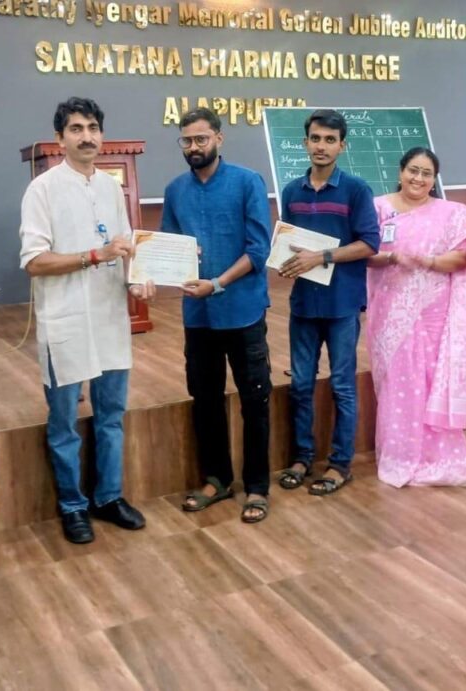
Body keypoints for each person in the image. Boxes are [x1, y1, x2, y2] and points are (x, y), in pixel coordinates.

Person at [19, 97, 152, 544]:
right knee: (64, 424)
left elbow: (126, 247)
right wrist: (95, 255)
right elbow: (34, 262)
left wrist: (137, 280)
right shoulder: (42, 190)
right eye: (76, 129)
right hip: (66, 321)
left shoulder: (111, 188)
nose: (87, 136)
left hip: (109, 317)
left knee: (111, 415)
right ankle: (72, 506)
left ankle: (109, 497)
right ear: (60, 139)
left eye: (93, 127)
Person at [160, 108, 273, 523]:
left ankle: (257, 486)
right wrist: (170, 268)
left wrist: (218, 282)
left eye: (201, 139)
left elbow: (258, 250)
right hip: (198, 315)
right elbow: (169, 247)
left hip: (242, 311)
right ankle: (217, 479)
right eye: (187, 140)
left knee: (254, 400)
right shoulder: (175, 190)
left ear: (219, 139)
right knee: (205, 399)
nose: (194, 147)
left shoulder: (248, 181)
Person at [366, 148, 466, 487]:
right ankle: (400, 453)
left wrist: (426, 261)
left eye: (426, 173)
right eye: (413, 170)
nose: (418, 178)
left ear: (434, 179)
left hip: (434, 310)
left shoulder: (451, 214)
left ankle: (437, 456)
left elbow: (461, 258)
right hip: (390, 310)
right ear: (400, 171)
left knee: (433, 378)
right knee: (397, 380)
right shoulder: (378, 208)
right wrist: (393, 258)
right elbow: (365, 253)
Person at [276, 109, 380, 496]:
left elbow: (370, 243)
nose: (322, 146)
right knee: (301, 385)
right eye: (316, 139)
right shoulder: (292, 191)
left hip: (342, 304)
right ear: (306, 143)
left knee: (342, 386)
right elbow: (288, 242)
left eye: (330, 140)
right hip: (304, 303)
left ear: (342, 146)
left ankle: (340, 464)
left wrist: (321, 257)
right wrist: (285, 261)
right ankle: (302, 458)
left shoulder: (356, 189)